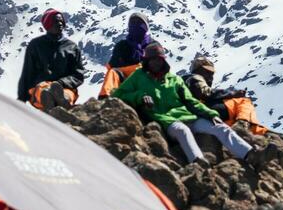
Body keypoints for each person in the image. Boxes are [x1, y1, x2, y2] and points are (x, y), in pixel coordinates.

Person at [111, 42, 260, 167]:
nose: (156, 62)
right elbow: (118, 94)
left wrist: (211, 114)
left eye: (159, 59)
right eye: (153, 59)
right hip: (167, 120)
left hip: (188, 116)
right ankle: (198, 162)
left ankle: (249, 154)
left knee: (220, 127)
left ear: (164, 60)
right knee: (183, 131)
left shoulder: (175, 80)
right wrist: (140, 96)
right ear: (147, 61)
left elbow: (190, 101)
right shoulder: (138, 77)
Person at [17, 8, 86, 111]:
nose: (60, 23)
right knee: (44, 91)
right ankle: (54, 102)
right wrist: (21, 98)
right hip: (40, 86)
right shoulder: (36, 45)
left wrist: (61, 83)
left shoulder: (72, 47)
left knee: (64, 94)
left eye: (61, 20)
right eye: (56, 21)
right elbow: (28, 72)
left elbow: (78, 75)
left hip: (65, 87)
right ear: (48, 24)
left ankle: (60, 101)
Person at [185, 56, 268, 135]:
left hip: (197, 113)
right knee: (243, 101)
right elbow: (205, 93)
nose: (211, 76)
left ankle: (260, 131)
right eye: (207, 72)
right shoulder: (195, 77)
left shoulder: (184, 82)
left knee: (234, 117)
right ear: (198, 70)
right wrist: (232, 94)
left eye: (212, 73)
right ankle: (243, 125)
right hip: (202, 110)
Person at [98, 13, 153, 98]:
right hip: (125, 80)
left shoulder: (153, 46)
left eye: (139, 22)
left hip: (145, 78)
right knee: (113, 72)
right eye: (132, 22)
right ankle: (105, 98)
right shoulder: (121, 45)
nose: (135, 25)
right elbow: (112, 66)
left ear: (146, 27)